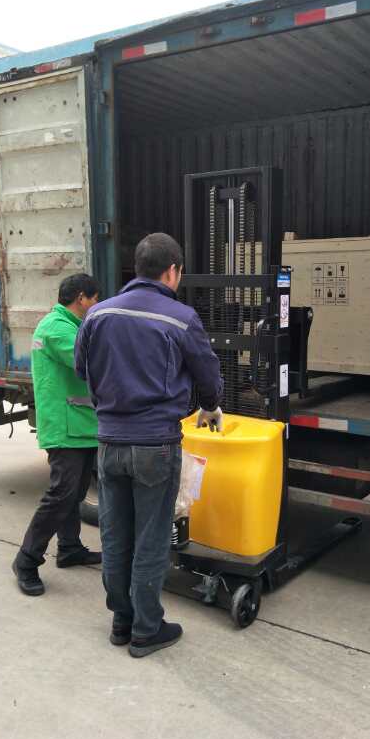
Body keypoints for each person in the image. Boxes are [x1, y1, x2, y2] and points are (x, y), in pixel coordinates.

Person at [75, 233, 223, 658]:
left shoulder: (98, 314)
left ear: (137, 268)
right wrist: (210, 406)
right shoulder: (181, 317)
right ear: (172, 270)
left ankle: (121, 621)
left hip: (109, 443)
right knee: (151, 539)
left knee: (115, 535)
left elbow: (82, 368)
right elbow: (208, 375)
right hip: (155, 444)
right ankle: (146, 628)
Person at [12, 274, 103, 596]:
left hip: (80, 424)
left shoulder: (71, 325)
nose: (96, 305)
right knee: (61, 495)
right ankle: (26, 561)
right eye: (95, 299)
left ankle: (69, 548)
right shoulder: (57, 328)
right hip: (65, 427)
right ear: (81, 298)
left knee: (74, 494)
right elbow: (91, 363)